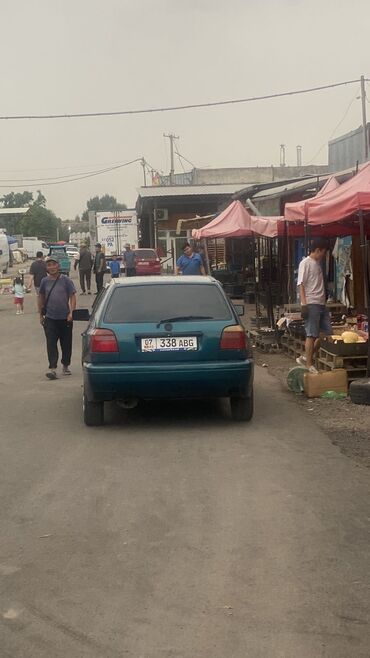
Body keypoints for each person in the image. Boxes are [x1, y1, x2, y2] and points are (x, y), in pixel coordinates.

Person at [296, 238, 332, 374]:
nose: (324, 255)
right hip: (311, 303)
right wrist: (304, 304)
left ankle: (306, 357)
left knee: (327, 334)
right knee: (311, 335)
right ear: (317, 250)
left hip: (321, 303)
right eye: (323, 252)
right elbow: (301, 284)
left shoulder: (317, 264)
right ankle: (309, 364)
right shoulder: (305, 263)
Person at [38, 256, 76, 380]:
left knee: (66, 343)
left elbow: (72, 296)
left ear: (58, 266)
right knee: (51, 343)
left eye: (54, 264)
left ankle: (65, 365)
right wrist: (40, 314)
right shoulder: (44, 281)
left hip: (65, 318)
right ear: (46, 268)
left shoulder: (66, 280)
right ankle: (52, 369)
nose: (52, 267)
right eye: (49, 265)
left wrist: (71, 312)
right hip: (50, 318)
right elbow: (41, 298)